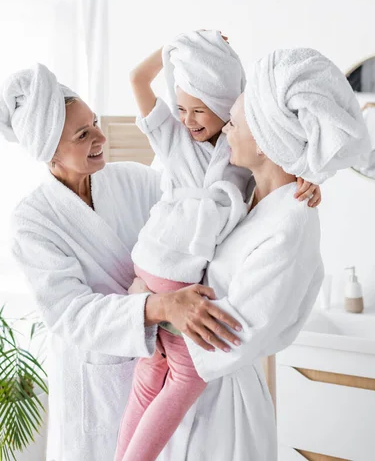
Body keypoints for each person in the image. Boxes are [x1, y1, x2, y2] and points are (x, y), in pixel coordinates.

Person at [0, 61, 320, 461]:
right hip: (98, 375)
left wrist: (290, 175)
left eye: (95, 122)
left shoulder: (132, 179)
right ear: (50, 152)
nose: (101, 136)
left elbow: (208, 201)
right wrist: (160, 306)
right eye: (83, 134)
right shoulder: (33, 221)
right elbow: (68, 313)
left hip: (160, 365)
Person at [134, 47, 370, 461]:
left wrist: (155, 309)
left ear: (264, 141)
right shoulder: (246, 198)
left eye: (235, 124)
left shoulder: (292, 223)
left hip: (224, 415)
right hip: (187, 397)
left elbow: (233, 335)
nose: (224, 133)